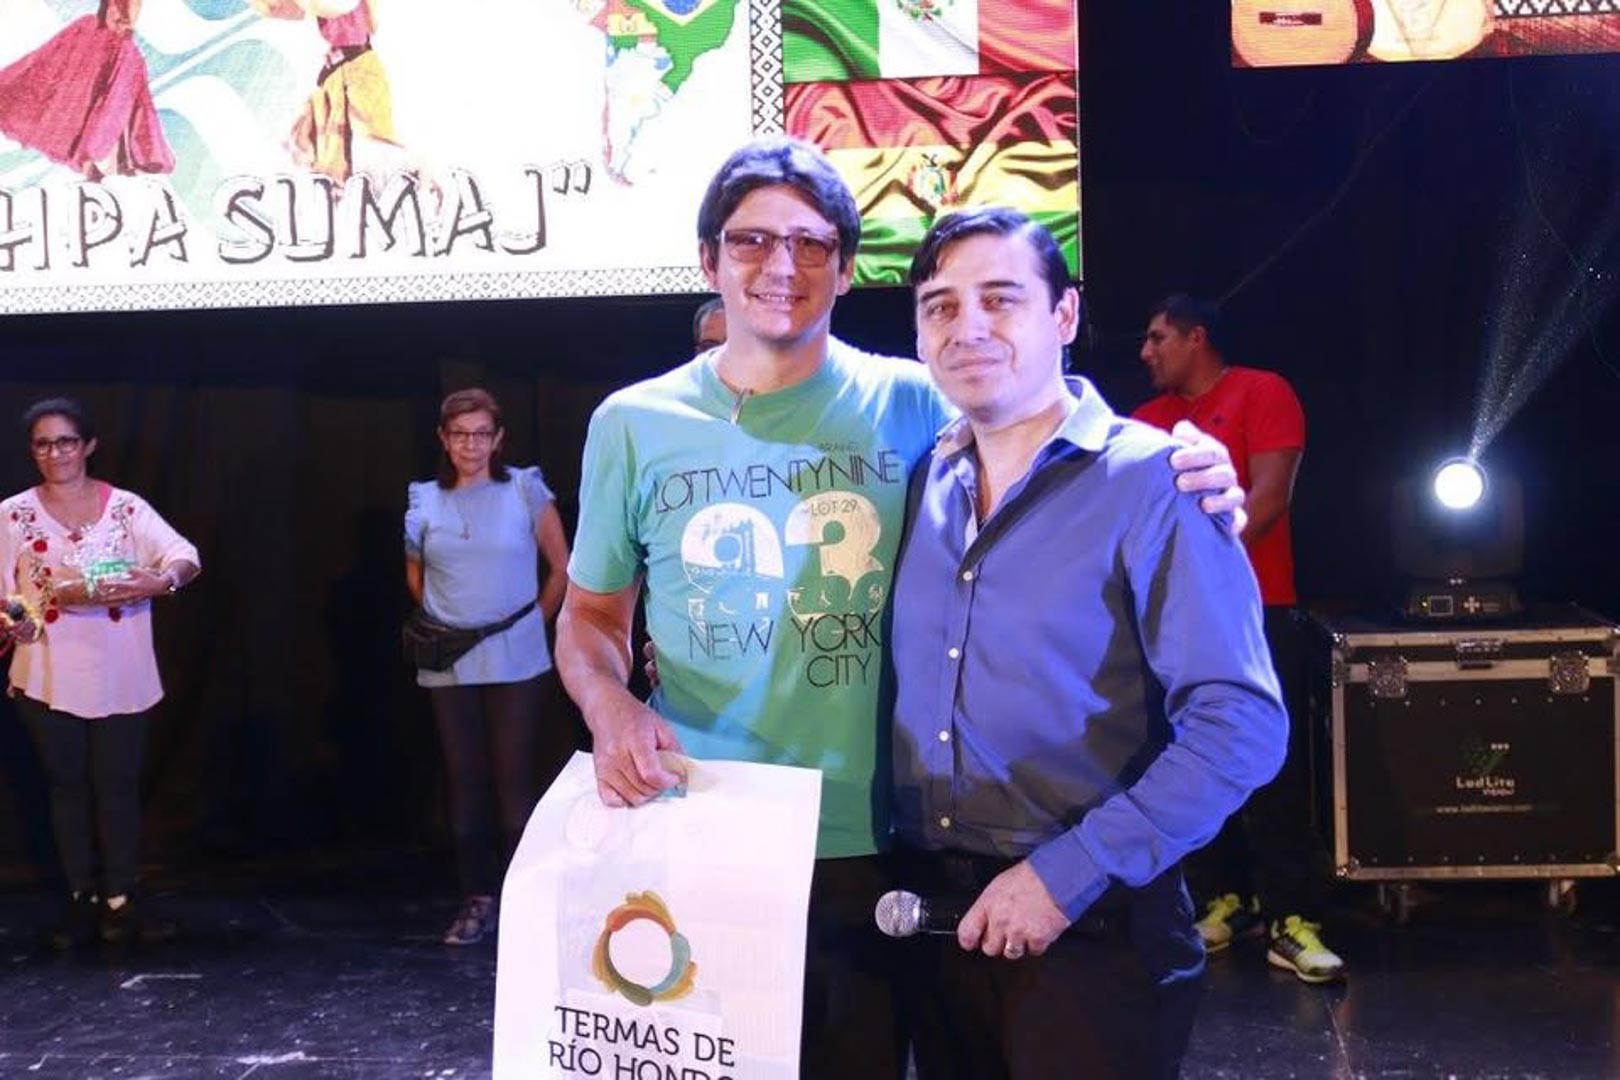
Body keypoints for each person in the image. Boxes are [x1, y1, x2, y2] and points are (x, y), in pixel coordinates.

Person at [555, 136, 1243, 1080]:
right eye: (751, 241)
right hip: (700, 828)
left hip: (879, 851)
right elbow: (591, 617)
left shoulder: (921, 401)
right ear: (709, 261)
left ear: (846, 268)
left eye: (811, 243)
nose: (781, 265)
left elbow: (1044, 423)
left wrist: (1187, 465)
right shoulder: (633, 423)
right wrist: (610, 708)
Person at [888, 208, 1287, 1080]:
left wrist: (1066, 874)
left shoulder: (1158, 481)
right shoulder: (922, 479)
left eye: (1001, 299)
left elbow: (1240, 725)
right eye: (941, 306)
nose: (969, 327)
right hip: (938, 929)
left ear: (1064, 315)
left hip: (1092, 931)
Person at [1133, 294, 1342, 983]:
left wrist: (1207, 566)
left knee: (1272, 766)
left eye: (1158, 338)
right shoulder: (1145, 421)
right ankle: (1221, 897)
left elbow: (1271, 497)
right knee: (1187, 759)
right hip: (1175, 622)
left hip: (1258, 610)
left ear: (1197, 338)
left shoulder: (1261, 391)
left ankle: (1292, 916)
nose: (1146, 352)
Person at [0, 397, 199, 948]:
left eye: (66, 441)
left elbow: (183, 555)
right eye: (43, 444)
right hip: (47, 671)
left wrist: (161, 581)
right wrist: (14, 617)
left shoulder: (127, 509)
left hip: (119, 669)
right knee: (65, 786)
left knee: (116, 786)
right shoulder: (13, 514)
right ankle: (78, 897)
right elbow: (5, 594)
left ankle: (120, 899)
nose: (55, 453)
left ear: (88, 445)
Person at [405, 387, 571, 946]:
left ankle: (524, 898)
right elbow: (415, 572)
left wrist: (533, 622)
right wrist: (448, 619)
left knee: (514, 777)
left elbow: (562, 566)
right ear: (443, 438)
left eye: (481, 434)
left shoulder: (525, 488)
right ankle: (477, 898)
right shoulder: (424, 499)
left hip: (516, 655)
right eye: (460, 434)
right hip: (449, 656)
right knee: (465, 779)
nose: (470, 445)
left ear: (498, 439)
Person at [0, 0, 176, 179]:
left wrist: (121, 28)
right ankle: (101, 159)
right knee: (89, 91)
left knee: (113, 98)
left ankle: (103, 159)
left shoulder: (123, 51)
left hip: (112, 42)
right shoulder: (93, 32)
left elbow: (125, 16)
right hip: (105, 38)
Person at [252, 0, 402, 183]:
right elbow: (274, 7)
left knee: (374, 141)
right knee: (325, 151)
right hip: (334, 73)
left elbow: (337, 10)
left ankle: (401, 184)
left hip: (356, 66)